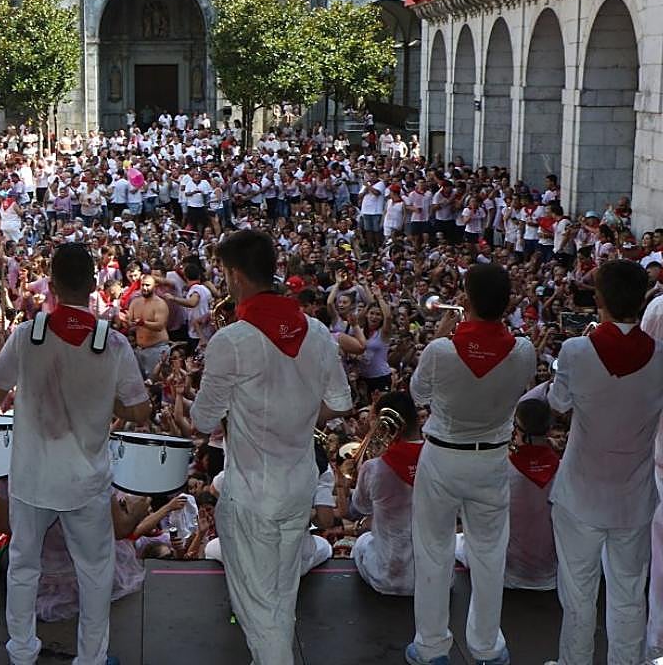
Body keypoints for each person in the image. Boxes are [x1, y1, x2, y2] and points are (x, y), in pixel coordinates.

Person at [0, 243, 150, 665]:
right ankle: (91, 658)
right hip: (86, 480)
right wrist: (103, 400)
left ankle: (21, 651)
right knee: (94, 572)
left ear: (51, 285)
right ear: (93, 285)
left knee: (23, 566)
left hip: (32, 476)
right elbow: (140, 410)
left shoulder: (26, 336)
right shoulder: (111, 344)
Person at [189, 230, 352, 665]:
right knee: (280, 600)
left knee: (259, 610)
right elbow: (340, 403)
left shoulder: (233, 341)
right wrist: (295, 421)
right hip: (299, 485)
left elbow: (203, 421)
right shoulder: (316, 331)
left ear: (236, 276)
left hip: (251, 493)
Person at [406, 263, 534, 665]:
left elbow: (417, 393)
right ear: (507, 303)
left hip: (443, 456)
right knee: (489, 553)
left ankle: (430, 646)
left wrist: (444, 334)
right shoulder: (524, 350)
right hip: (492, 459)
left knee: (433, 549)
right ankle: (486, 646)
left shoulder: (441, 350)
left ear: (464, 299)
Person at [545, 260, 663, 665]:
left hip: (580, 492)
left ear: (599, 300)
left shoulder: (576, 350)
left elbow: (557, 403)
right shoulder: (661, 356)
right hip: (634, 496)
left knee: (578, 596)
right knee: (629, 595)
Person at [456, 398, 558, 590]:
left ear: (516, 428)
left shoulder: (500, 470)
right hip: (551, 574)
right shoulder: (563, 468)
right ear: (549, 430)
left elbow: (472, 517)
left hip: (507, 574)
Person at [350, 390, 423, 596]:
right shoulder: (440, 460)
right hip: (437, 580)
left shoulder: (374, 467)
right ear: (417, 419)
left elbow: (361, 507)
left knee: (362, 542)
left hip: (387, 578)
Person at [125, 273, 170, 379]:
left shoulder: (160, 304)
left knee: (156, 383)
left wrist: (143, 323)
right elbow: (130, 322)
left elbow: (160, 325)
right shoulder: (135, 302)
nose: (145, 288)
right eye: (143, 285)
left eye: (148, 285)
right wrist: (128, 322)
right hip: (139, 349)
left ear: (155, 286)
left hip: (157, 349)